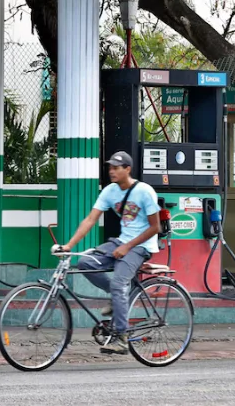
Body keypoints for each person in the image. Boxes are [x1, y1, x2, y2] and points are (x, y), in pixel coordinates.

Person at [57, 151, 161, 354]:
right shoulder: (109, 192)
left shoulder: (145, 191)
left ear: (127, 169)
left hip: (142, 246)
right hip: (121, 242)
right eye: (110, 167)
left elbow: (155, 227)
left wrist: (127, 247)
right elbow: (90, 220)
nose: (111, 171)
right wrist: (69, 245)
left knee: (119, 283)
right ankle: (116, 298)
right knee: (85, 263)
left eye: (116, 167)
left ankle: (122, 338)